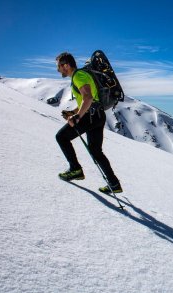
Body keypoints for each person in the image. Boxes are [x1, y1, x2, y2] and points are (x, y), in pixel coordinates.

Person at [55, 52, 122, 194]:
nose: (58, 69)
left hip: (89, 116)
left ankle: (75, 169)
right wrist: (73, 112)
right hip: (98, 116)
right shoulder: (82, 75)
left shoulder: (78, 76)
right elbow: (88, 99)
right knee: (96, 151)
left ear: (66, 65)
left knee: (61, 137)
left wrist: (77, 117)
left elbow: (88, 97)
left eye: (59, 66)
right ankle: (114, 183)